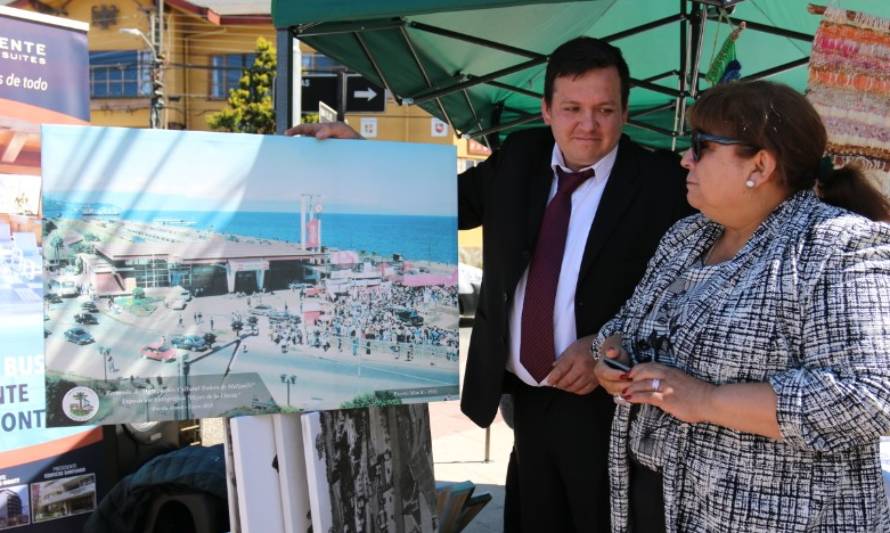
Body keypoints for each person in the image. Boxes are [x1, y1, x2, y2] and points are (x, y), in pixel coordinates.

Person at [287, 37, 691, 532]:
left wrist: (614, 344)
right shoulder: (518, 160)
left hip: (609, 412)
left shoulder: (664, 185)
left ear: (625, 112)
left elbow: (688, 296)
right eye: (572, 108)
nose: (588, 124)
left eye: (604, 109)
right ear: (546, 110)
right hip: (525, 399)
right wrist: (363, 156)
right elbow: (439, 202)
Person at [593, 80, 890, 532]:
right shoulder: (688, 235)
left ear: (761, 164)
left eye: (701, 147)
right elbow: (626, 325)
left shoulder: (836, 244)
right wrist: (612, 356)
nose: (684, 158)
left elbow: (871, 396)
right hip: (658, 499)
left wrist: (706, 400)